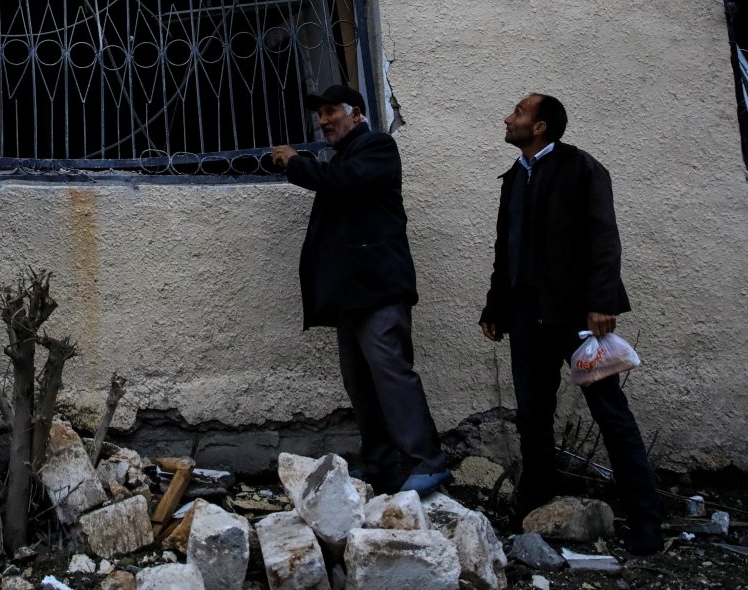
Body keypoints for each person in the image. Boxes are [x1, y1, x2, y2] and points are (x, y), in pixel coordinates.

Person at [479, 93, 662, 553]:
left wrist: (601, 302)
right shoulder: (514, 179)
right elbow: (509, 250)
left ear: (540, 126)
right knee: (533, 416)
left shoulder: (581, 168)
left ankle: (646, 522)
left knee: (611, 415)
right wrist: (495, 307)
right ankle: (534, 506)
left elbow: (604, 235)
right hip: (526, 318)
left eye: (518, 111)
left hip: (581, 321)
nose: (508, 116)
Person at [272, 84, 452, 495]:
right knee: (361, 382)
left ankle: (428, 461)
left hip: (378, 291)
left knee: (390, 374)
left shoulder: (376, 146)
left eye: (331, 111)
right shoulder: (342, 157)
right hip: (350, 296)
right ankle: (382, 469)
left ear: (356, 114)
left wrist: (296, 162)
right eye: (320, 114)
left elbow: (342, 183)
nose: (323, 120)